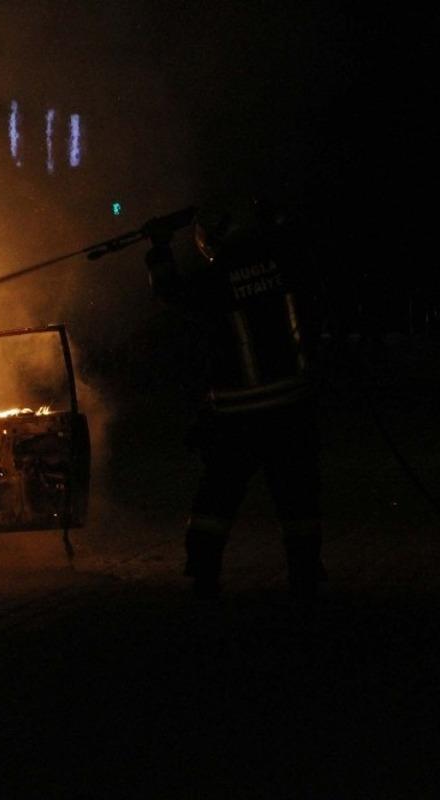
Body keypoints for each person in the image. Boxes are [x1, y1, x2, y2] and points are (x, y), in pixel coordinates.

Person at [143, 194, 325, 600]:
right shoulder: (287, 263)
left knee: (216, 501)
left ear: (209, 240)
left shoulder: (218, 279)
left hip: (237, 414)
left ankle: (204, 574)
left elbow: (170, 293)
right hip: (292, 407)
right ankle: (306, 573)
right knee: (298, 499)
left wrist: (158, 246)